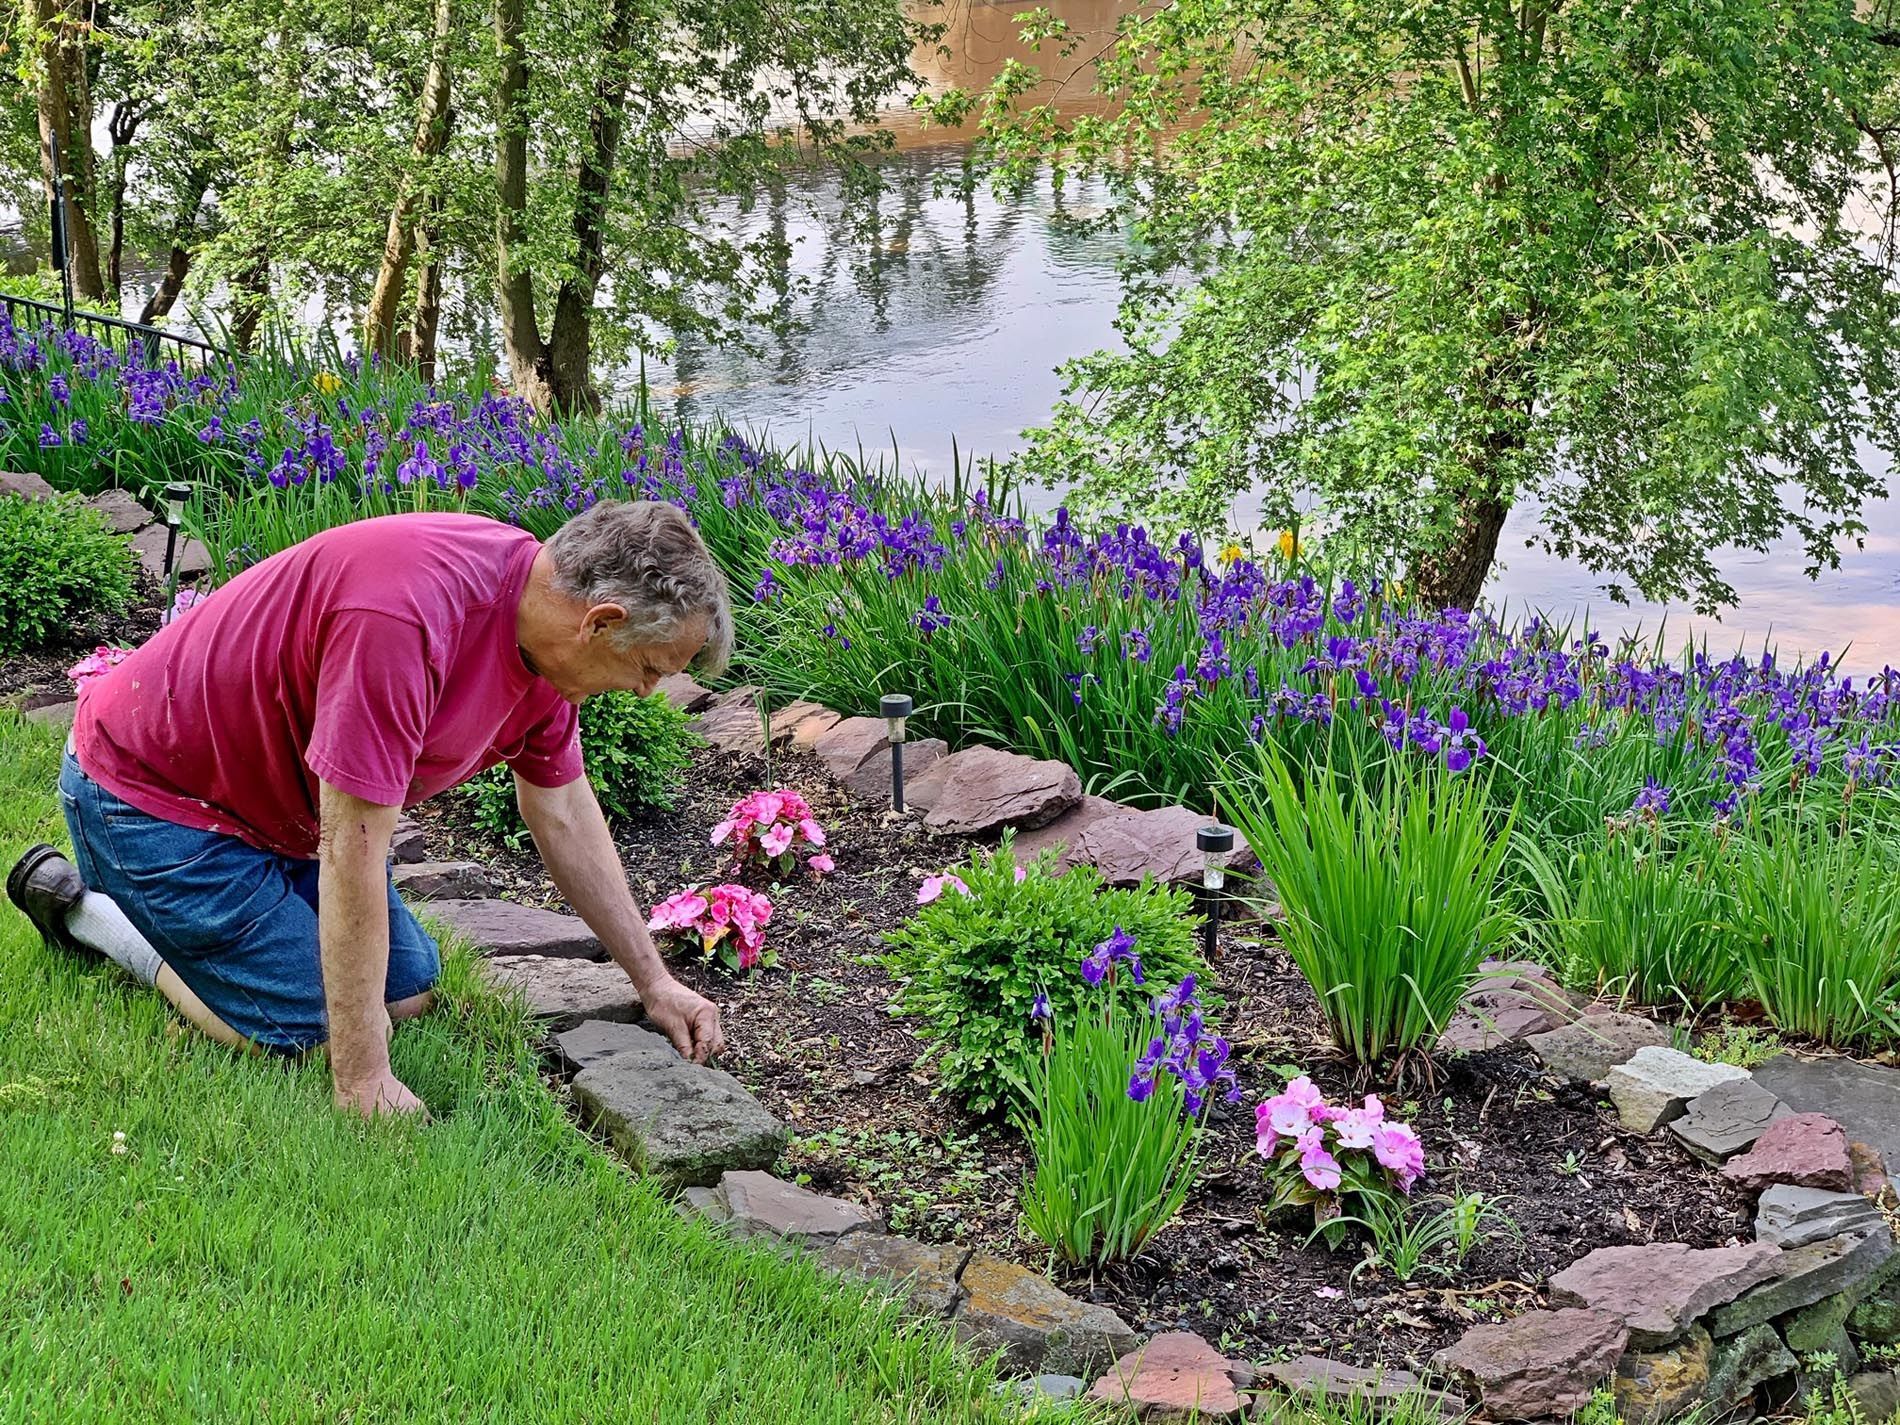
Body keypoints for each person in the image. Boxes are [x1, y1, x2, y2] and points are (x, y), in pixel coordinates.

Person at [6, 499, 730, 1118]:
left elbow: (564, 809)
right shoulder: (406, 616)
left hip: (279, 816)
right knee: (308, 1030)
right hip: (154, 799)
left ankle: (182, 931)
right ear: (599, 622)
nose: (642, 692)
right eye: (648, 669)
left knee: (407, 994)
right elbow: (352, 844)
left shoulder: (543, 638)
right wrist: (361, 1076)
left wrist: (654, 980)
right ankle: (92, 918)